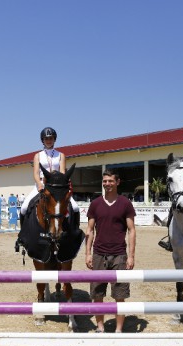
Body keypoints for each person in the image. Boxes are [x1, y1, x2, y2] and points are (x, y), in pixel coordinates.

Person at [85, 170, 136, 333]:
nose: (107, 184)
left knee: (119, 295)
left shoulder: (125, 203)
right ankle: (100, 327)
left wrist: (131, 256)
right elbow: (90, 230)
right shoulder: (95, 204)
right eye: (105, 181)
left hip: (119, 255)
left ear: (117, 182)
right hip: (99, 254)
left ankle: (118, 329)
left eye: (110, 181)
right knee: (97, 294)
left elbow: (132, 230)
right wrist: (88, 253)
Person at [19, 127, 80, 226]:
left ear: (54, 139)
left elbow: (63, 172)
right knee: (24, 207)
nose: (48, 141)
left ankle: (75, 230)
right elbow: (36, 173)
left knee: (75, 207)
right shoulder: (37, 155)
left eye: (50, 138)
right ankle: (22, 234)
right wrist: (39, 184)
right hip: (42, 185)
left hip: (57, 187)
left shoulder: (61, 155)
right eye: (46, 139)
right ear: (42, 140)